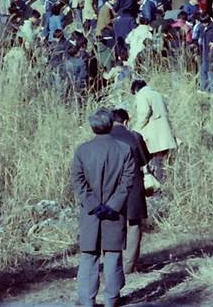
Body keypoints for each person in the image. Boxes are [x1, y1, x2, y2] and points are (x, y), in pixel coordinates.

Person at [71, 107, 136, 307]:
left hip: (91, 213)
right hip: (114, 212)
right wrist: (112, 206)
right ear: (111, 124)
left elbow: (78, 181)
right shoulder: (124, 149)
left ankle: (87, 300)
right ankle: (111, 299)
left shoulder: (82, 150)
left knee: (89, 256)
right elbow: (127, 181)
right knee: (113, 255)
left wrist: (92, 204)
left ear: (92, 127)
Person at [108, 109, 151, 275]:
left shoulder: (104, 138)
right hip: (133, 186)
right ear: (126, 122)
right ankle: (128, 266)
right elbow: (145, 159)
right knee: (133, 226)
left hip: (110, 187)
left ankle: (113, 264)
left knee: (112, 225)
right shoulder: (134, 136)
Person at [130, 79, 178, 180]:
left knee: (157, 162)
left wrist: (137, 128)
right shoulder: (157, 94)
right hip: (165, 132)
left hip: (155, 133)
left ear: (136, 90)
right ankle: (168, 183)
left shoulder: (142, 95)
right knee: (165, 161)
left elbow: (144, 112)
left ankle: (159, 186)